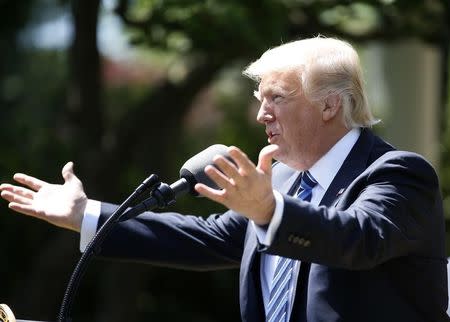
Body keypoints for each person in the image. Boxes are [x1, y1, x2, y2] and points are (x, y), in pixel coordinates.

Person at [0, 37, 448, 322]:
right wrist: (86, 216)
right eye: (259, 98)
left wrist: (270, 211)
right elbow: (204, 238)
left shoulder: (396, 174)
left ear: (329, 106)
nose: (261, 114)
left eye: (276, 97)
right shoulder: (287, 182)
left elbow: (357, 239)